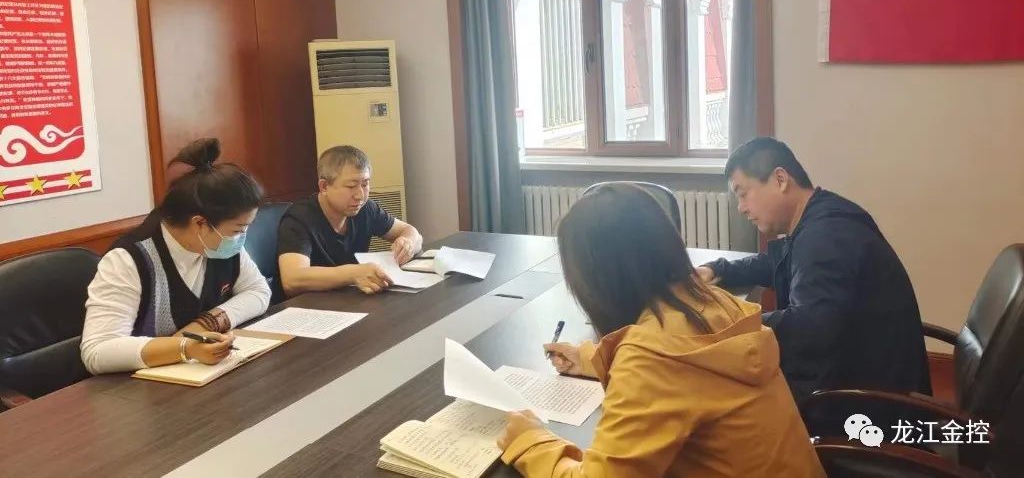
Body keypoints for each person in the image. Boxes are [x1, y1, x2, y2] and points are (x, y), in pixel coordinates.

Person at [498, 183, 825, 478]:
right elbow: (682, 369)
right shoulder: (715, 302)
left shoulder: (651, 360)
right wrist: (589, 358)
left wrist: (530, 442)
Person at [696, 137, 931, 405]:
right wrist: (716, 269)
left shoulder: (825, 236)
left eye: (742, 193)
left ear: (780, 179)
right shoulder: (819, 217)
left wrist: (729, 324)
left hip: (867, 402)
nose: (741, 208)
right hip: (862, 371)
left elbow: (808, 328)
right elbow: (777, 263)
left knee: (720, 392)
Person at [81, 138, 271, 374]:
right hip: (137, 387)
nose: (242, 237)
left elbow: (258, 291)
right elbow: (97, 351)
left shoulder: (219, 243)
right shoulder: (129, 259)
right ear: (200, 223)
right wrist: (184, 347)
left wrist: (206, 324)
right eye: (238, 230)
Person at [277, 145, 423, 297]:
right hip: (309, 306)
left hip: (351, 299)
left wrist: (408, 243)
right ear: (324, 186)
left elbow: (411, 232)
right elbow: (292, 280)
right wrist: (353, 273)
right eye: (351, 186)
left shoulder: (365, 208)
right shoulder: (299, 218)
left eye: (365, 184)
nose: (360, 195)